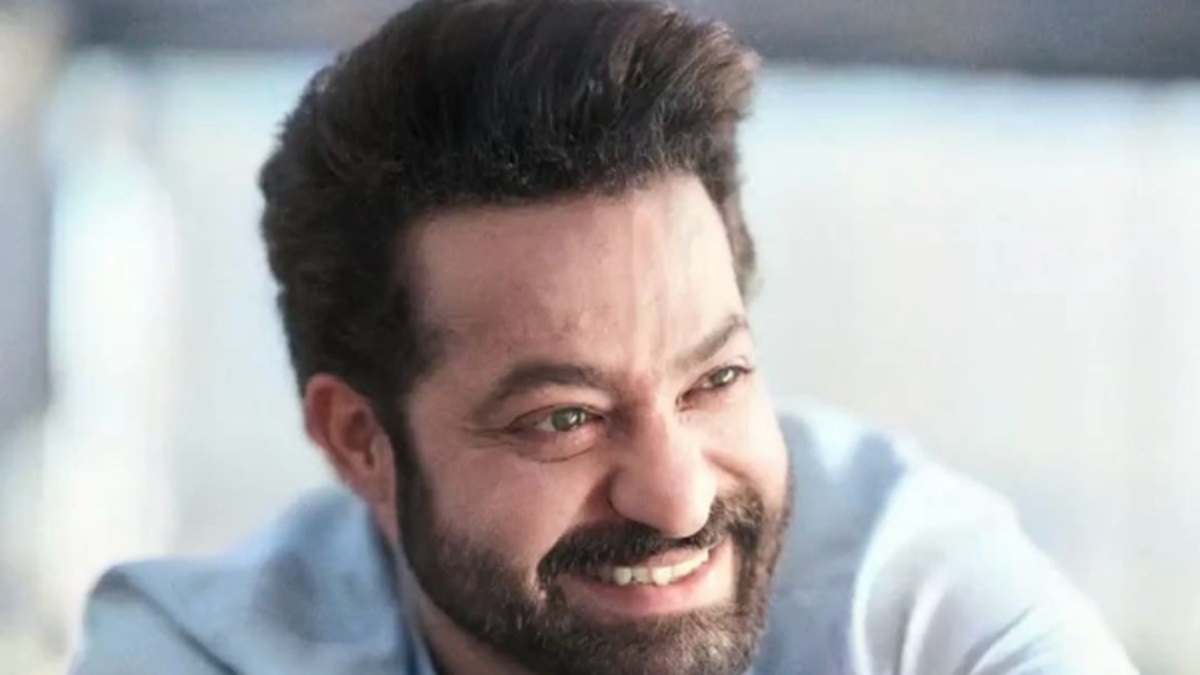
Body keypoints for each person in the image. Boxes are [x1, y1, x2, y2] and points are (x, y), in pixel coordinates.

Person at [69, 1, 1138, 673]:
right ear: (361, 441)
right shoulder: (196, 650)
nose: (676, 499)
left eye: (715, 378)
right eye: (564, 419)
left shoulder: (907, 599)